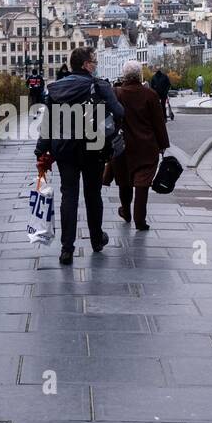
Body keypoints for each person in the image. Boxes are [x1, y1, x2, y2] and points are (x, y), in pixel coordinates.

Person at [35, 46, 124, 265]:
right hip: (93, 147)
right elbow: (120, 112)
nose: (95, 64)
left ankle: (67, 248)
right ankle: (96, 239)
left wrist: (41, 148)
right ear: (86, 65)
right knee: (93, 194)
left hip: (64, 147)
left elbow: (49, 123)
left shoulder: (55, 89)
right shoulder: (99, 85)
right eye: (93, 61)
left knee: (69, 195)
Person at [111, 60, 170, 230]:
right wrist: (163, 144)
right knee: (142, 183)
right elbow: (159, 122)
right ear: (140, 75)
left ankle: (126, 210)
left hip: (122, 147)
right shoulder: (150, 95)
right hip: (146, 146)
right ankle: (140, 220)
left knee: (124, 181)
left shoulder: (117, 94)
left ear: (124, 75)